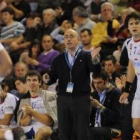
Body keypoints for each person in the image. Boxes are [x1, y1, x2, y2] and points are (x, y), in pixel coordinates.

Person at [43, 29, 101, 140]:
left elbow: (96, 70)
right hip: (63, 98)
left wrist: (95, 59)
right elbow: (52, 77)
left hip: (81, 98)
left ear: (78, 39)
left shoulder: (86, 56)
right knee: (63, 132)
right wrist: (47, 78)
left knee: (82, 131)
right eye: (66, 37)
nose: (68, 39)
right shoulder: (58, 59)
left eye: (71, 36)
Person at [16, 70, 57, 140]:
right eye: (29, 80)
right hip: (28, 128)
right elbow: (22, 123)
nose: (31, 83)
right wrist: (28, 116)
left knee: (42, 131)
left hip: (47, 128)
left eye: (34, 80)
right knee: (10, 131)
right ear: (26, 83)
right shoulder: (23, 99)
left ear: (40, 82)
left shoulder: (50, 96)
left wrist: (32, 112)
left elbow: (49, 122)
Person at [119, 12, 140, 135]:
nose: (134, 26)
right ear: (127, 27)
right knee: (136, 125)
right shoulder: (129, 43)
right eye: (131, 23)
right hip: (138, 87)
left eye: (137, 23)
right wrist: (127, 90)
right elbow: (131, 67)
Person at [90, 70, 122, 140]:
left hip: (113, 128)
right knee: (74, 129)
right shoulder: (94, 94)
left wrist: (99, 106)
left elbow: (116, 117)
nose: (96, 86)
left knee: (94, 132)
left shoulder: (116, 93)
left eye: (99, 83)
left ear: (106, 81)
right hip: (95, 126)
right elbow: (90, 116)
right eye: (94, 83)